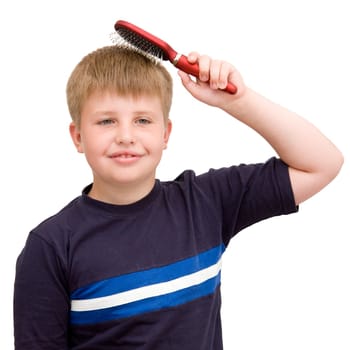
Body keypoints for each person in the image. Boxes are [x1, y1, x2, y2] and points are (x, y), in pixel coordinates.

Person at [13, 45, 343, 350]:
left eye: (142, 120)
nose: (126, 136)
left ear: (165, 133)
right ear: (78, 136)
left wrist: (236, 101)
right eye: (106, 121)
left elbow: (321, 164)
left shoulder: (206, 202)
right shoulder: (51, 246)